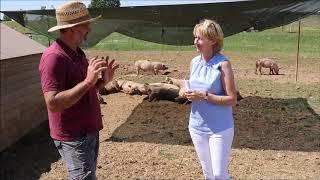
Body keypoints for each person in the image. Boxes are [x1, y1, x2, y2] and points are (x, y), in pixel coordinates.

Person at [39, 1, 119, 179]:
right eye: (85, 25)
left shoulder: (77, 53)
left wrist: (102, 82)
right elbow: (53, 103)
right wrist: (89, 81)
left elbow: (84, 90)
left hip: (88, 131)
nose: (89, 29)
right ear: (70, 29)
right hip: (73, 136)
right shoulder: (54, 57)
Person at [180, 19, 237, 180]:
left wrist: (205, 96)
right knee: (208, 174)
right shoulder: (194, 62)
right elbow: (190, 86)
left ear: (213, 40)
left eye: (199, 38)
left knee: (219, 174)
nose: (195, 41)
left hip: (220, 128)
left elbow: (232, 100)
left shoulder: (223, 64)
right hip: (196, 126)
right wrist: (184, 91)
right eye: (195, 37)